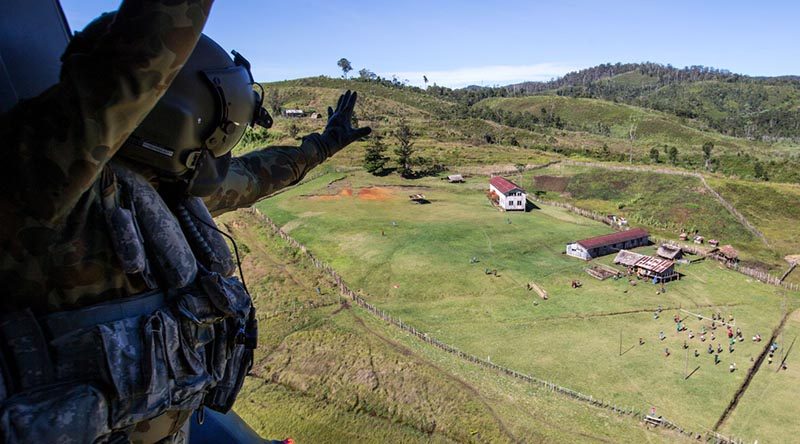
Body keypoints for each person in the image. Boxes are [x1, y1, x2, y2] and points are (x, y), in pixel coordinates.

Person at [0, 1, 370, 442]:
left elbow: (257, 175)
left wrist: (323, 145)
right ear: (173, 113)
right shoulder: (48, 190)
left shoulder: (164, 194)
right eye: (225, 124)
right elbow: (132, 65)